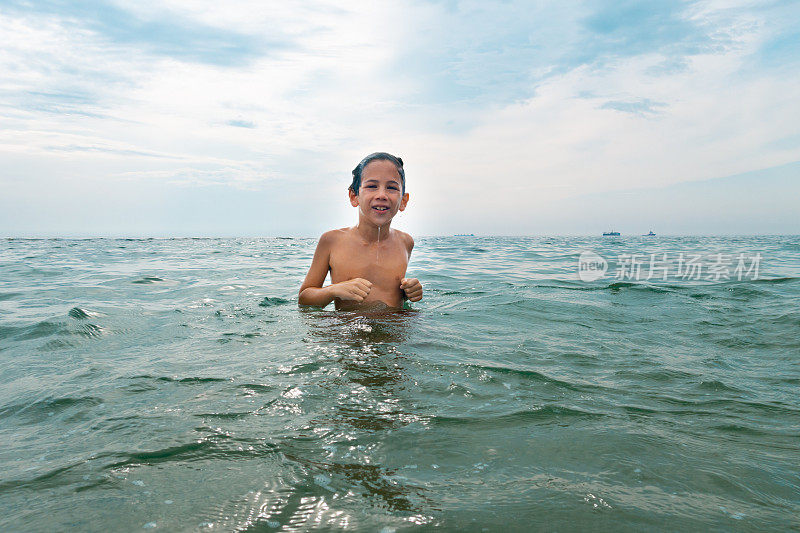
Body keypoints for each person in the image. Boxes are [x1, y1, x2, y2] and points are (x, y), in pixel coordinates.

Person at [298, 152, 423, 309]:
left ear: (403, 201)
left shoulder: (405, 242)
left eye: (391, 187)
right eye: (372, 186)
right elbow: (304, 299)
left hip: (396, 329)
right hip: (349, 328)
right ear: (354, 196)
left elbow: (392, 294)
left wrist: (410, 292)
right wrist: (334, 290)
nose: (382, 195)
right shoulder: (332, 241)